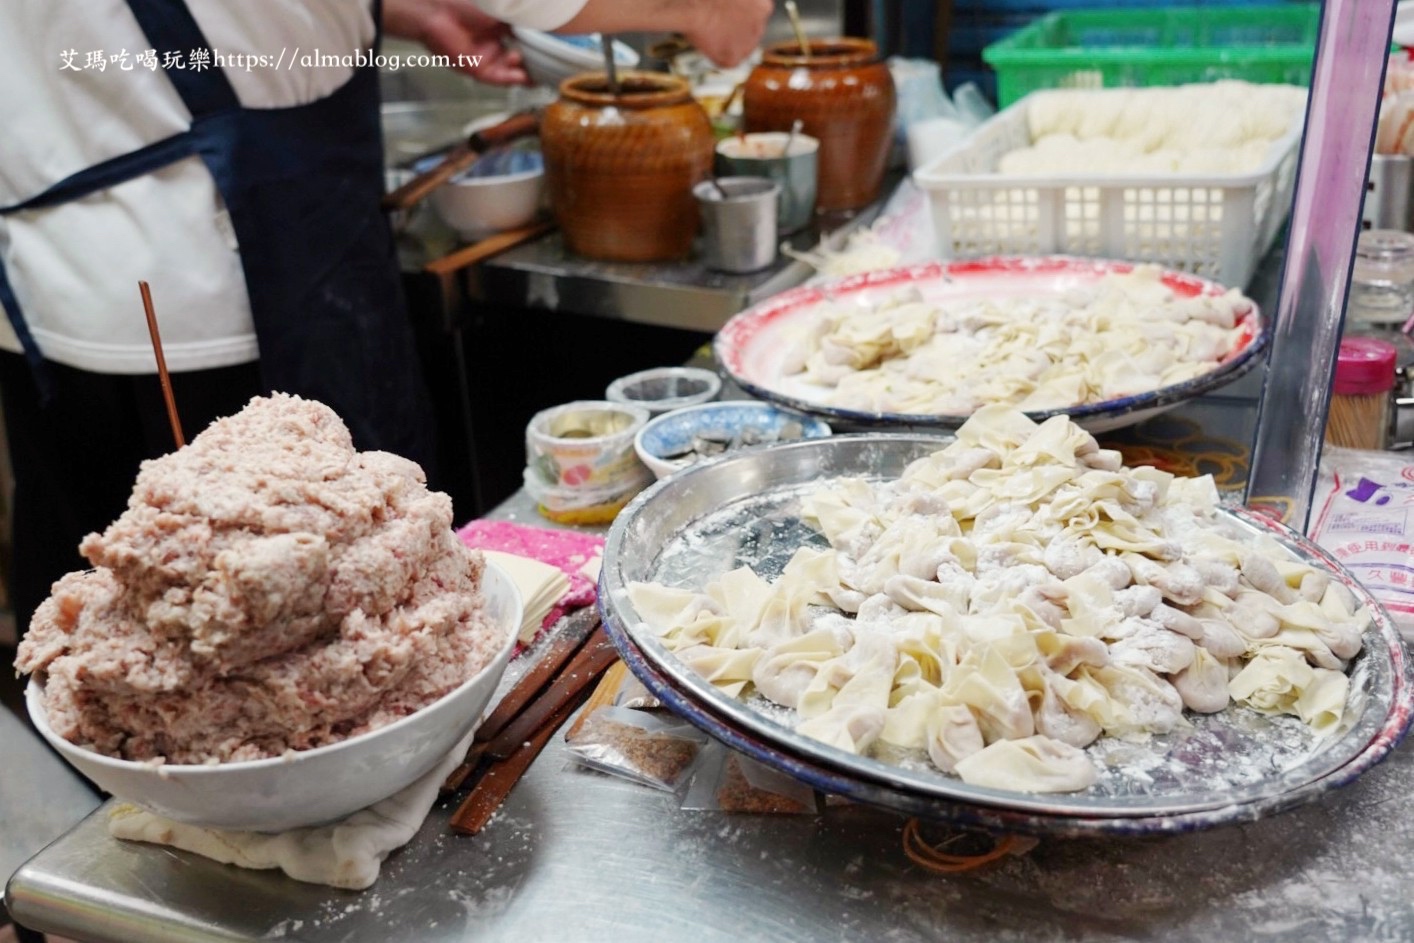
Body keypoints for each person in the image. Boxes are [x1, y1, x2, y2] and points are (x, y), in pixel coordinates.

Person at [0, 0, 772, 640]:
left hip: (37, 304)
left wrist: (403, 12)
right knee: (311, 630)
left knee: (118, 637)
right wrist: (704, 9)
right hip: (227, 296)